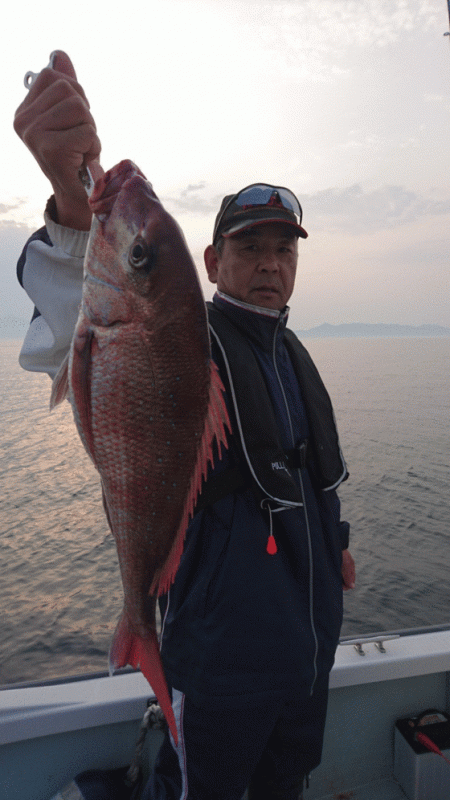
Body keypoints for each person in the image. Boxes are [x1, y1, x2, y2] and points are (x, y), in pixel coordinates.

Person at [14, 51, 355, 800]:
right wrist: (78, 206)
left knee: (284, 787)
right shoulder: (190, 337)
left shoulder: (293, 353)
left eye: (282, 249)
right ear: (210, 260)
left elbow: (313, 476)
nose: (269, 264)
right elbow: (79, 330)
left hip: (307, 654)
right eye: (250, 248)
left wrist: (339, 550)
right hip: (222, 661)